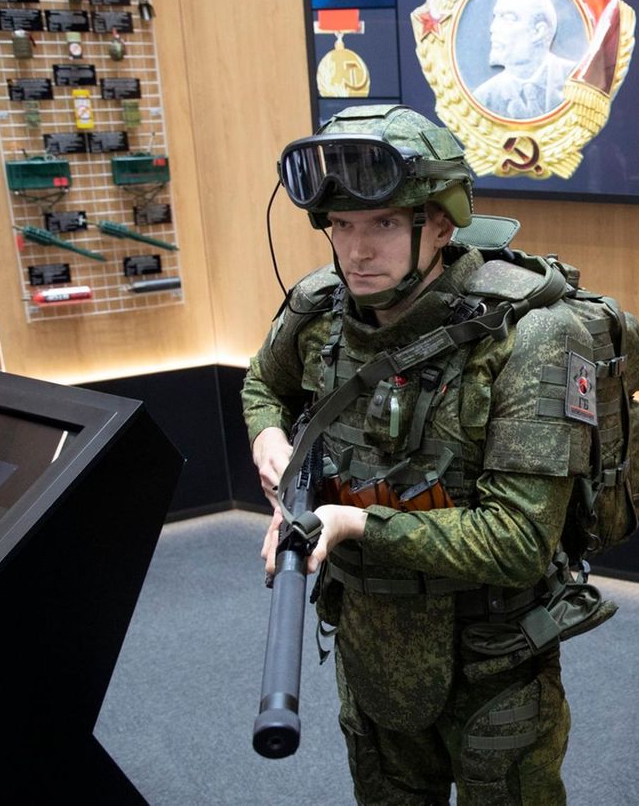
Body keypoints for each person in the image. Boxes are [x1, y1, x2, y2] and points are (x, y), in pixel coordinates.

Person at [244, 104, 616, 804]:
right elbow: (263, 381)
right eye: (342, 226)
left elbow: (517, 541)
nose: (357, 251)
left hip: (494, 660)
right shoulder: (318, 308)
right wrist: (269, 436)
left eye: (383, 224)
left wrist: (353, 525)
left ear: (441, 223)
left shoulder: (532, 336)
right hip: (369, 641)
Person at [473, 0, 578, 119]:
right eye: (495, 17)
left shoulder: (578, 80)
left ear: (539, 32)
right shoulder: (484, 98)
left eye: (508, 18)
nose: (493, 28)